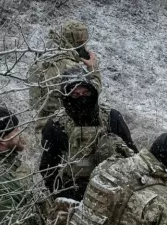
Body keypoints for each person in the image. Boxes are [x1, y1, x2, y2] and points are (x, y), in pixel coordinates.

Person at [39, 65, 137, 202]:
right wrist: (63, 196)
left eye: (85, 93)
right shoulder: (55, 125)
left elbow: (132, 157)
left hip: (113, 192)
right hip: (72, 193)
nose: (81, 98)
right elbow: (48, 169)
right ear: (66, 96)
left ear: (93, 92)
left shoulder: (111, 118)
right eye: (75, 94)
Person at [28, 20, 103, 133]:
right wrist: (93, 69)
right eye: (83, 43)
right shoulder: (69, 67)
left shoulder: (42, 58)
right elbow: (90, 95)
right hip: (61, 130)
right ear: (79, 43)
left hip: (41, 127)